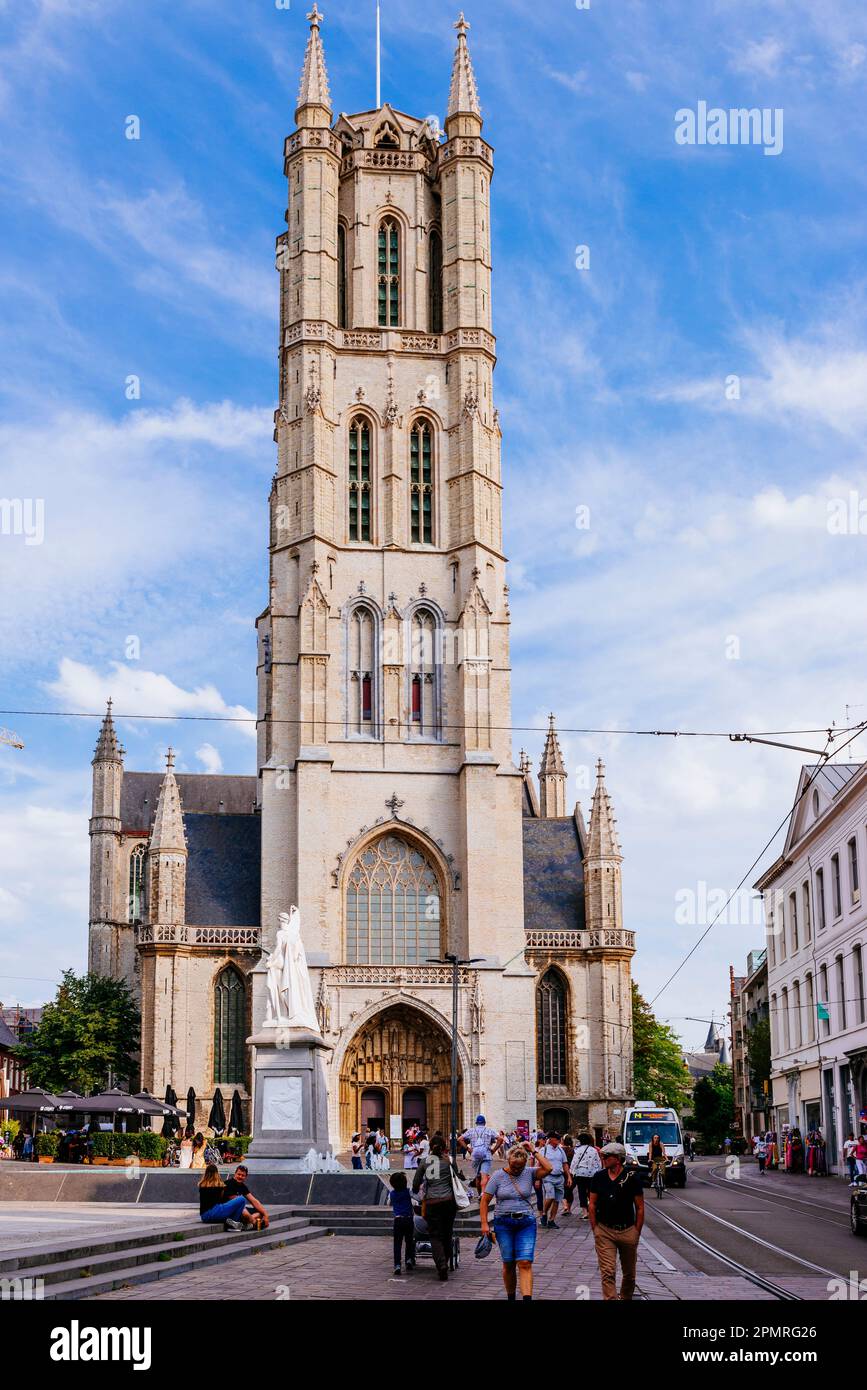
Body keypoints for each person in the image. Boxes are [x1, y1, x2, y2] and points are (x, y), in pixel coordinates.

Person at [480, 1142, 553, 1300]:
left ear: (525, 1163)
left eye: (520, 1167)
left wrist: (534, 1150)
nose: (517, 1170)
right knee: (509, 1263)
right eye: (514, 1166)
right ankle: (511, 1296)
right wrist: (485, 1223)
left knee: (525, 1262)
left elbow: (549, 1168)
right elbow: (485, 1201)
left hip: (526, 1222)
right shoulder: (498, 1176)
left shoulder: (529, 1173)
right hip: (503, 1222)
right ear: (508, 1161)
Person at [588, 1142, 645, 1301]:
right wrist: (596, 1229)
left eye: (606, 1157)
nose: (603, 1159)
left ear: (618, 1159)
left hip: (627, 1230)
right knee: (607, 1271)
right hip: (605, 1230)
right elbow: (592, 1203)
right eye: (603, 1156)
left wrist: (636, 1231)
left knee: (629, 1275)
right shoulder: (599, 1177)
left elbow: (639, 1207)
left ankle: (625, 1297)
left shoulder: (632, 1178)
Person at [412, 1135, 460, 1281]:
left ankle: (441, 1265)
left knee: (434, 1235)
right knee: (447, 1234)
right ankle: (444, 1261)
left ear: (431, 1146)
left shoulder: (425, 1161)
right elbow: (457, 1177)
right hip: (448, 1202)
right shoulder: (450, 1160)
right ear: (444, 1146)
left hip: (432, 1202)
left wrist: (418, 1190)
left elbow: (415, 1183)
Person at [198, 1163, 250, 1231]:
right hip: (213, 1212)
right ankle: (233, 1224)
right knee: (241, 1199)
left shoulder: (201, 1185)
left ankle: (231, 1222)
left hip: (204, 1216)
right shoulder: (219, 1186)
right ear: (216, 1174)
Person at [223, 1165, 269, 1229]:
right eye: (239, 1174)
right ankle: (252, 1224)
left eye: (243, 1175)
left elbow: (254, 1200)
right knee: (245, 1213)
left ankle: (245, 1224)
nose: (240, 1177)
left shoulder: (242, 1186)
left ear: (246, 1177)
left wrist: (266, 1215)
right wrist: (253, 1219)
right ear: (235, 1174)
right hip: (229, 1211)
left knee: (260, 1213)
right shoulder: (228, 1184)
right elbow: (237, 1204)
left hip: (240, 1210)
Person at [461, 1114, 500, 1191]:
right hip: (487, 1155)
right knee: (484, 1175)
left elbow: (460, 1139)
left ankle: (479, 1195)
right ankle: (483, 1193)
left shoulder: (471, 1130)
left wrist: (468, 1149)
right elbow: (500, 1139)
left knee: (478, 1176)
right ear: (484, 1123)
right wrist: (494, 1150)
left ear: (476, 1123)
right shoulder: (489, 1130)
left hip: (475, 1156)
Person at [388, 1171, 416, 1275]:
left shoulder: (392, 1193)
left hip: (398, 1220)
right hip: (408, 1219)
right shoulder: (408, 1192)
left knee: (397, 1243)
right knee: (409, 1241)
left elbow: (388, 1203)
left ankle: (397, 1265)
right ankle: (408, 1259)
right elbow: (415, 1199)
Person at [540, 1132, 569, 1228]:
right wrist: (537, 1179)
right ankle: (544, 1213)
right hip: (548, 1177)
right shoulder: (543, 1150)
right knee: (550, 1196)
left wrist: (568, 1176)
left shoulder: (561, 1150)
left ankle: (551, 1220)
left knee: (557, 1200)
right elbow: (539, 1165)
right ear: (551, 1139)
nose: (559, 1141)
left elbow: (565, 1163)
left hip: (559, 1177)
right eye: (557, 1139)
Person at [569, 1132, 602, 1218]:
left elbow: (575, 1162)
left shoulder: (578, 1150)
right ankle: (593, 1210)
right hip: (592, 1174)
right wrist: (598, 1172)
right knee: (591, 1193)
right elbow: (598, 1163)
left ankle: (585, 1213)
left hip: (580, 1174)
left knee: (582, 1192)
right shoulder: (594, 1150)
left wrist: (572, 1171)